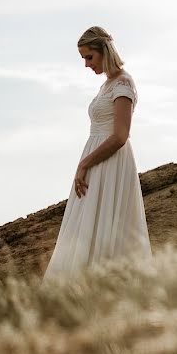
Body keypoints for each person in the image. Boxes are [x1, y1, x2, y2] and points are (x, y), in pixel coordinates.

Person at [42, 26, 152, 282]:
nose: (86, 64)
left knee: (108, 223)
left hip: (111, 160)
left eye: (88, 57)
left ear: (104, 51)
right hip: (96, 159)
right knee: (85, 222)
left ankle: (105, 284)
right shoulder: (107, 85)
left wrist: (84, 163)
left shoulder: (124, 82)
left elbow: (120, 136)